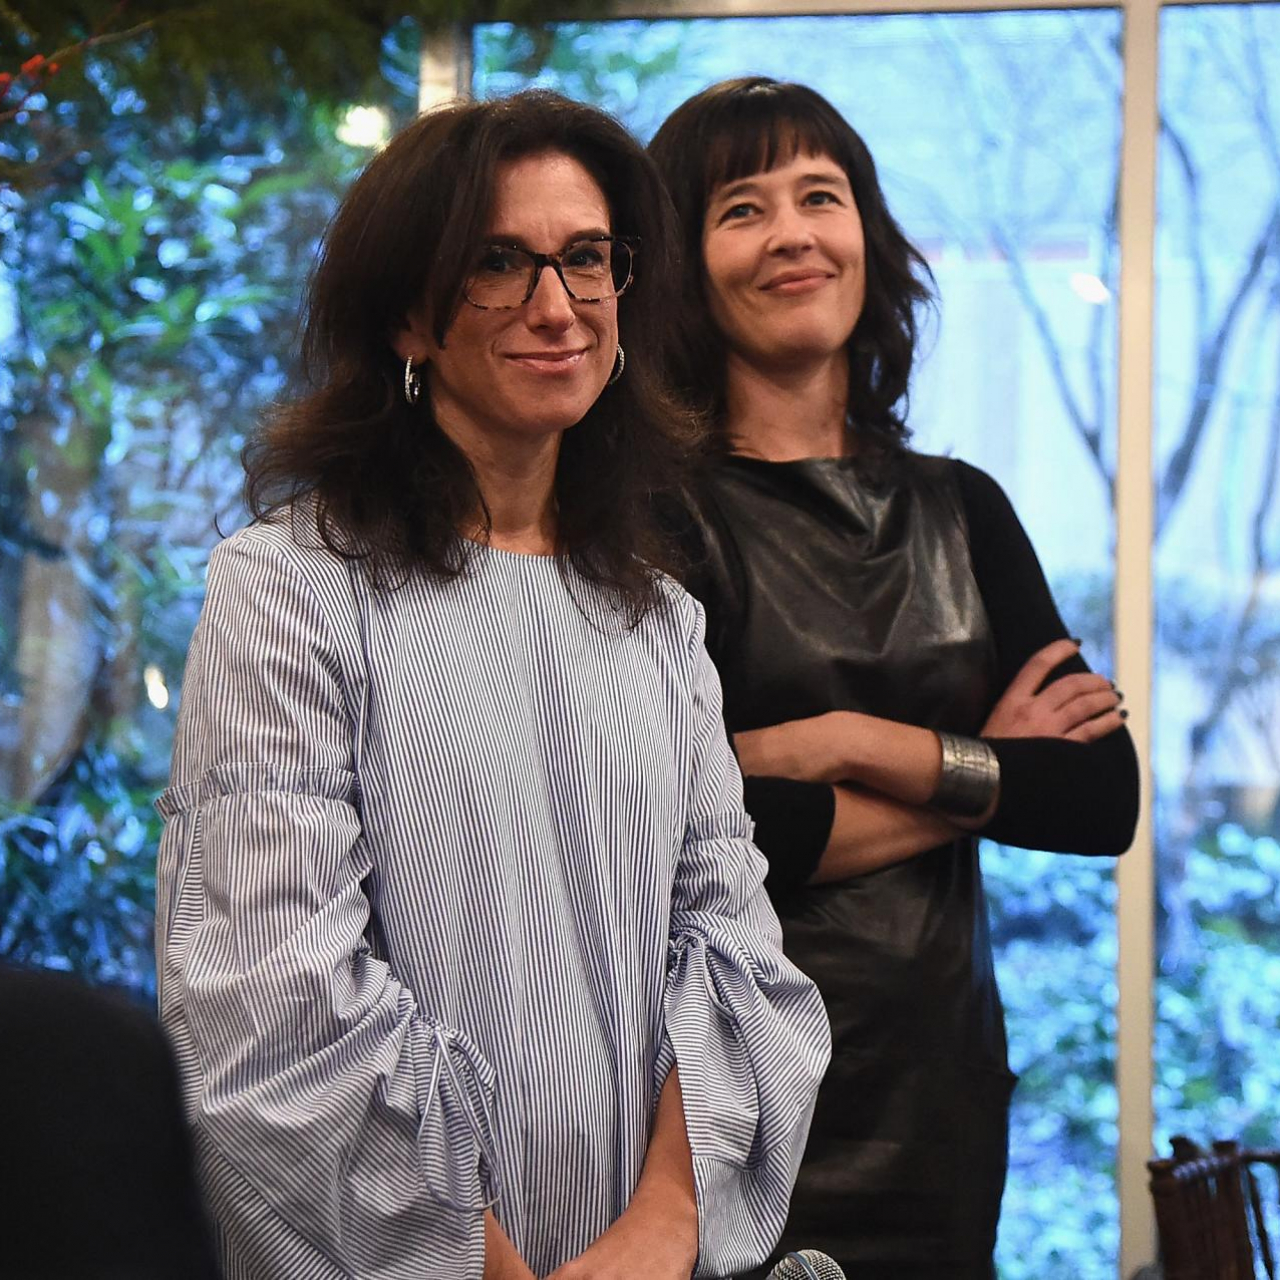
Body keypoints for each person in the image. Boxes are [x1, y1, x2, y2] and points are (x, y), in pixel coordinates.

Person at [154, 90, 830, 1280]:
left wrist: (663, 1224)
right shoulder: (290, 588)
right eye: (497, 264)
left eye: (586, 258)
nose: (555, 306)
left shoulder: (658, 619)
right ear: (407, 315)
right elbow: (271, 997)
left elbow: (730, 947)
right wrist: (481, 1261)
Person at [649, 78, 1140, 1279]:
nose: (791, 235)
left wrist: (840, 742)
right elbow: (685, 829)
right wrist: (980, 769)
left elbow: (1097, 797)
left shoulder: (962, 508)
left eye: (819, 197)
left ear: (865, 236)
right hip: (720, 1101)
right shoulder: (651, 518)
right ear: (682, 267)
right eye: (741, 209)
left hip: (939, 1096)